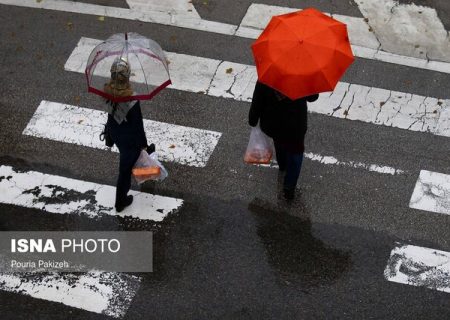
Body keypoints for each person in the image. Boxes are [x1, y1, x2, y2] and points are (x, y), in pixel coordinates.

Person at [248, 81, 319, 200]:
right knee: (296, 152)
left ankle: (282, 165)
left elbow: (258, 100)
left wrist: (253, 119)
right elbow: (313, 97)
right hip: (295, 124)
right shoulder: (303, 75)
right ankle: (289, 187)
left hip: (273, 122)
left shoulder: (268, 75)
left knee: (279, 141)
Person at [104, 57, 155, 212]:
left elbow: (110, 115)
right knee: (125, 171)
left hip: (116, 133)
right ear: (127, 77)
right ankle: (120, 201)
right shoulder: (132, 99)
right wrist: (144, 144)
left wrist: (109, 136)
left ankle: (145, 157)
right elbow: (138, 126)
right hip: (128, 139)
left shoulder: (107, 91)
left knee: (131, 159)